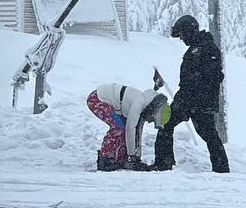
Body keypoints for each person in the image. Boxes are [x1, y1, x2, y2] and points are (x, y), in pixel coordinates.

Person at [152, 15, 230, 173]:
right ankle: (164, 164)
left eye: (182, 34)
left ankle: (221, 170)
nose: (181, 38)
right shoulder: (196, 48)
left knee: (207, 134)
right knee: (167, 124)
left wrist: (197, 94)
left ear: (190, 31)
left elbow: (213, 76)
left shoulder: (207, 47)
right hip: (188, 99)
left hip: (198, 101)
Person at [86, 83, 170, 171]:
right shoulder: (139, 104)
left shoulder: (146, 103)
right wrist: (132, 155)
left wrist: (136, 157)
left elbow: (138, 130)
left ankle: (120, 160)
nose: (150, 121)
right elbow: (130, 130)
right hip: (97, 99)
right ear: (154, 111)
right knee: (118, 128)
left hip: (107, 101)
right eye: (153, 119)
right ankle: (105, 160)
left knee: (123, 128)